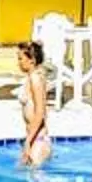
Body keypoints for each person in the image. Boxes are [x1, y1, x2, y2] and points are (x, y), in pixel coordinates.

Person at [17, 39, 53, 167]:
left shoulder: (35, 79)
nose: (18, 62)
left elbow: (40, 112)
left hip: (38, 140)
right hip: (34, 139)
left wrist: (28, 142)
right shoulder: (33, 77)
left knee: (32, 176)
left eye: (20, 59)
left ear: (31, 60)